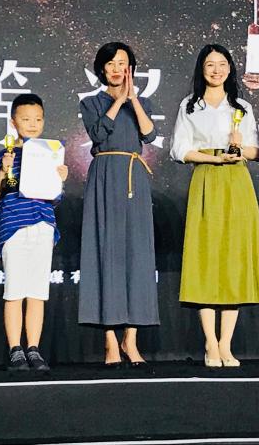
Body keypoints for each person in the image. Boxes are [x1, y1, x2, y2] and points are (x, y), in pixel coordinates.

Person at [170, 44, 259, 368]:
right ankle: (210, 343)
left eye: (222, 64)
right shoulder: (190, 105)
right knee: (206, 258)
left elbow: (257, 151)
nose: (217, 70)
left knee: (233, 260)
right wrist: (212, 157)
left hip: (236, 180)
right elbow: (179, 149)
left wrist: (241, 150)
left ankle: (226, 343)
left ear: (230, 69)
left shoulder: (241, 106)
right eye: (210, 65)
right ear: (202, 69)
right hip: (206, 178)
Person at [79, 42, 159, 366]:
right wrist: (117, 102)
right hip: (103, 177)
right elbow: (99, 134)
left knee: (136, 256)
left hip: (133, 178)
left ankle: (131, 340)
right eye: (111, 63)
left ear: (131, 69)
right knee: (106, 255)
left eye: (122, 63)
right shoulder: (91, 102)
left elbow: (149, 135)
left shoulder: (143, 103)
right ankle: (110, 341)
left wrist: (133, 100)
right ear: (102, 69)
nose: (116, 69)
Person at [0, 94, 68, 373]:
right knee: (14, 291)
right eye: (25, 119)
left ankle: (33, 348)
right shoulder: (5, 155)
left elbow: (55, 198)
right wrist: (4, 171)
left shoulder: (50, 154)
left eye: (37, 119)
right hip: (13, 225)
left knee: (37, 291)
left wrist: (60, 180)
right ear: (13, 122)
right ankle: (15, 349)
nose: (32, 124)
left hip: (43, 224)